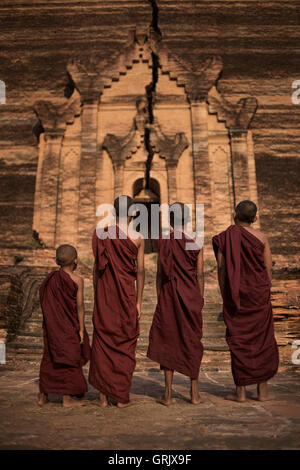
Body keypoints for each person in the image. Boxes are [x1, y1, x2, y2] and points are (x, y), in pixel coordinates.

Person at [212, 200, 279, 402]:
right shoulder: (262, 238)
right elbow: (268, 270)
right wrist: (264, 290)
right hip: (258, 294)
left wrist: (225, 294)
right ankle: (262, 391)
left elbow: (222, 269)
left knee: (238, 340)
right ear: (255, 218)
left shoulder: (226, 237)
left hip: (237, 294)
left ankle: (240, 392)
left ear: (234, 215)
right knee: (263, 341)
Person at [89, 195, 145, 408]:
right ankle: (120, 397)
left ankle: (103, 396)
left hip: (105, 294)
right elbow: (140, 271)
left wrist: (97, 295)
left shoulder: (101, 234)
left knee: (103, 341)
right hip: (126, 296)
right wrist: (138, 302)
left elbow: (96, 269)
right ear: (133, 213)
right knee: (125, 342)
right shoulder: (137, 237)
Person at [147, 202, 204, 406]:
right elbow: (200, 274)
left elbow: (160, 274)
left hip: (168, 296)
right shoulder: (195, 241)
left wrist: (160, 296)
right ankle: (194, 393)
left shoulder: (162, 241)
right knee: (192, 341)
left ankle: (168, 394)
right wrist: (200, 298)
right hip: (190, 296)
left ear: (169, 220)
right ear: (187, 220)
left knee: (167, 341)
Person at [38, 244, 90, 407]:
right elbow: (80, 307)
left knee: (49, 357)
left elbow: (45, 301)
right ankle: (67, 398)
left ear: (56, 260)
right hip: (68, 326)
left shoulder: (50, 279)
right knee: (70, 356)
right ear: (76, 261)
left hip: (53, 325)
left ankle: (43, 395)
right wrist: (81, 329)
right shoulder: (77, 280)